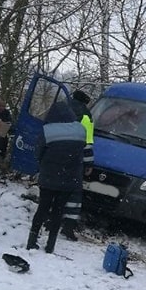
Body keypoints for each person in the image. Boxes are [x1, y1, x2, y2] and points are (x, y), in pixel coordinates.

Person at [26, 100, 86, 254]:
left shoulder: (47, 130)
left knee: (43, 208)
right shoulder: (81, 129)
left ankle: (32, 240)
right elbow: (82, 150)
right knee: (59, 211)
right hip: (70, 178)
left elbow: (38, 153)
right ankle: (51, 244)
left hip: (49, 177)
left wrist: (46, 164)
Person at [60, 89, 94, 241]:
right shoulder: (86, 116)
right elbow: (87, 142)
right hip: (74, 158)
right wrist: (89, 163)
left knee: (54, 189)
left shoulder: (60, 109)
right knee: (73, 194)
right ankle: (67, 227)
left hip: (54, 156)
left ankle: (49, 220)